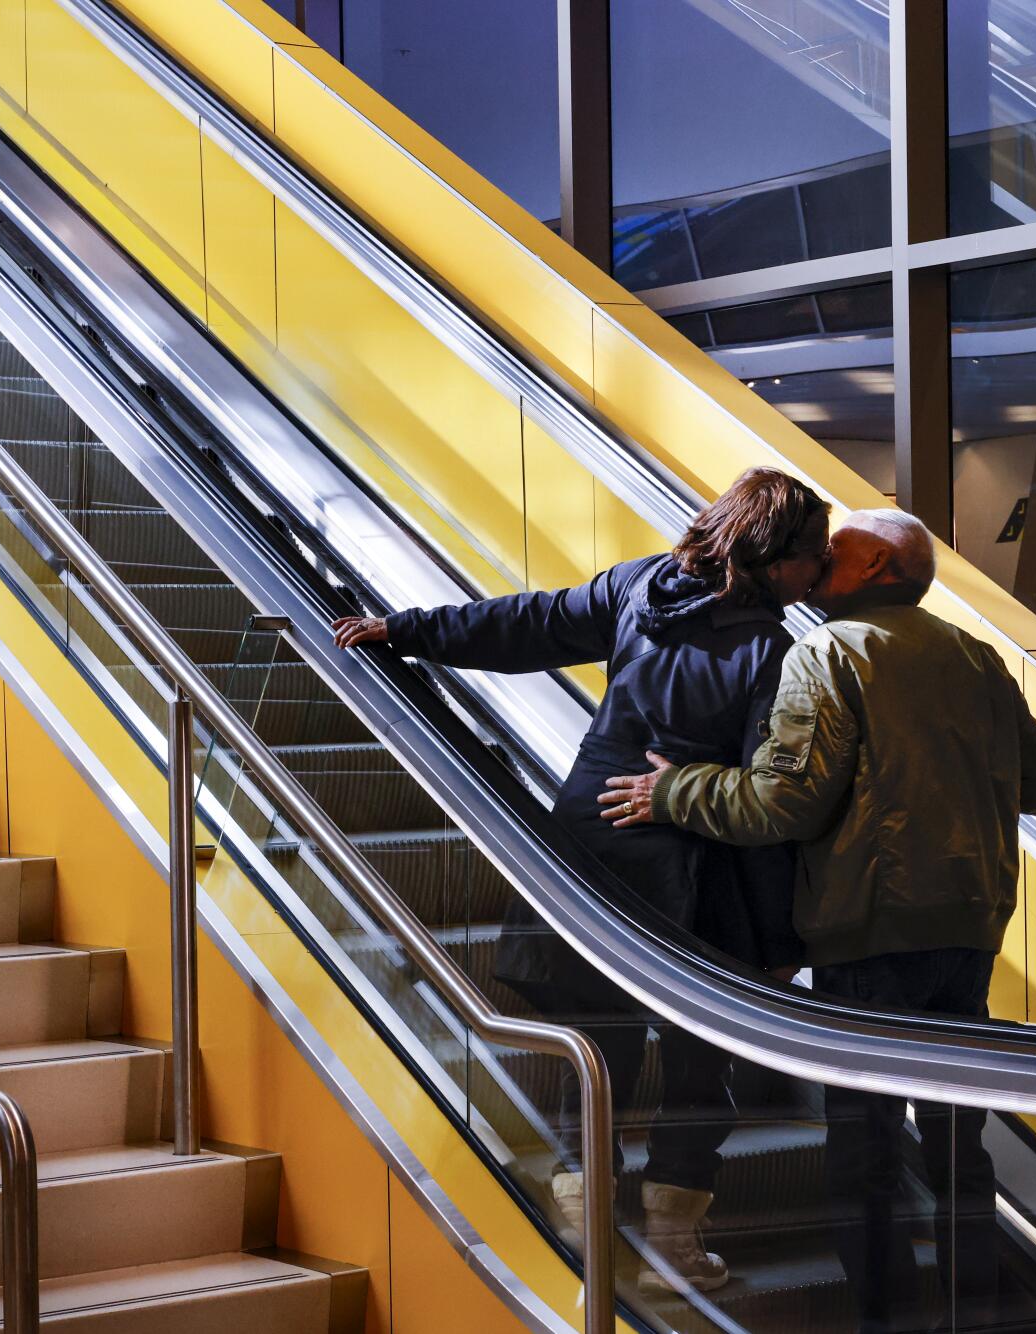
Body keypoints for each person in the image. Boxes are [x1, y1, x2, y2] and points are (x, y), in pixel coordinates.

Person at [332, 467, 830, 1292]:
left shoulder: (642, 588)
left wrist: (406, 630)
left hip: (591, 851)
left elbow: (530, 624)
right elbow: (762, 811)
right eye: (812, 558)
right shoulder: (768, 651)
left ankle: (581, 1222)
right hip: (700, 869)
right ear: (771, 558)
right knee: (702, 1060)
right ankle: (671, 1245)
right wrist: (779, 943)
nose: (818, 575)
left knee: (598, 1043)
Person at [597, 508, 1036, 1331]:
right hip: (969, 930)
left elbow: (785, 801)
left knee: (866, 1154)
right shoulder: (973, 656)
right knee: (960, 1148)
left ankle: (886, 1322)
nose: (818, 565)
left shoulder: (828, 652)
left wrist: (672, 789)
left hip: (871, 931)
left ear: (878, 569)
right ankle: (978, 1314)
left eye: (836, 556)